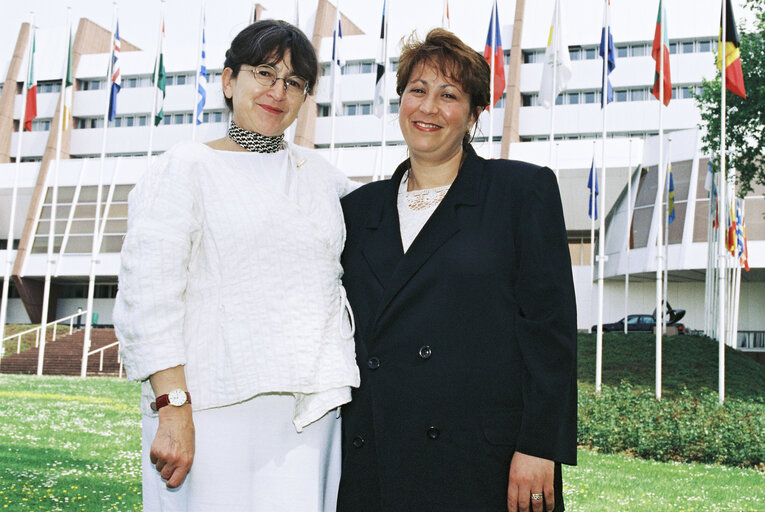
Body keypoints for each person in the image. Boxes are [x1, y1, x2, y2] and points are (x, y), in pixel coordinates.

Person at [113, 20, 359, 512]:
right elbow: (150, 295)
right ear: (229, 81)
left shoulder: (324, 178)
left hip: (310, 413)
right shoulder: (182, 168)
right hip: (209, 408)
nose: (277, 91)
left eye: (294, 82)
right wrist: (173, 408)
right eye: (264, 73)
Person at [337, 29, 577, 512]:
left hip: (483, 458)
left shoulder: (520, 192)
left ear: (474, 114)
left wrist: (539, 446)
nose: (428, 108)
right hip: (375, 455)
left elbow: (550, 333)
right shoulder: (357, 210)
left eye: (449, 95)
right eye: (417, 90)